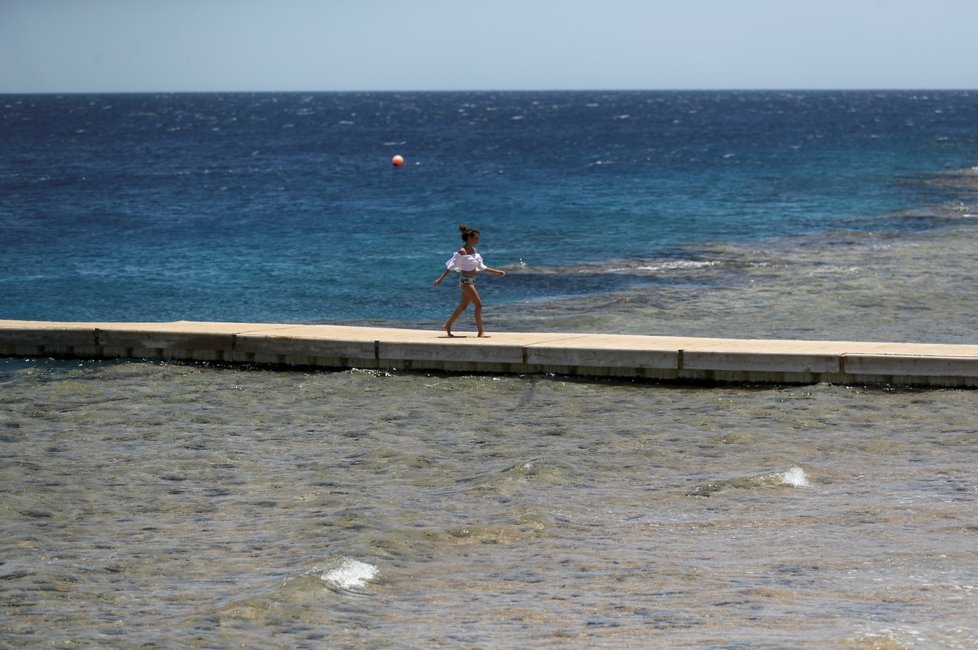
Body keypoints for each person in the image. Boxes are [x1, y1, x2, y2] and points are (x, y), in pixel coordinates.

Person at [433, 224, 506, 337]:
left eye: (478, 238)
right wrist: (440, 279)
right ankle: (480, 332)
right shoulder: (462, 251)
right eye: (476, 238)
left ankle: (447, 325)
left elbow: (481, 267)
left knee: (463, 306)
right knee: (479, 305)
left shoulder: (473, 250)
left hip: (472, 280)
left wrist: (496, 272)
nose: (477, 240)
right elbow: (451, 266)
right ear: (469, 238)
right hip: (465, 281)